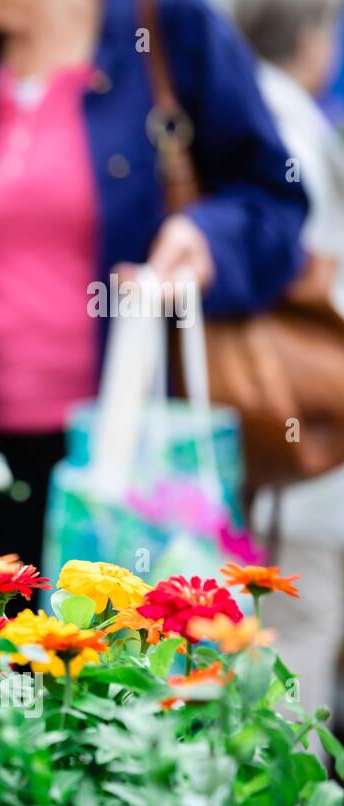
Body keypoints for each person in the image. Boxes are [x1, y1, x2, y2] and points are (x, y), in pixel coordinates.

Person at [0, 0, 308, 565]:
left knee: (117, 642)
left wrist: (206, 239)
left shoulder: (168, 29)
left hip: (132, 456)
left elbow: (274, 200)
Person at [231, 0, 344, 735]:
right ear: (312, 37)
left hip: (275, 452)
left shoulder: (248, 112)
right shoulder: (287, 124)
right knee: (296, 644)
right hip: (296, 457)